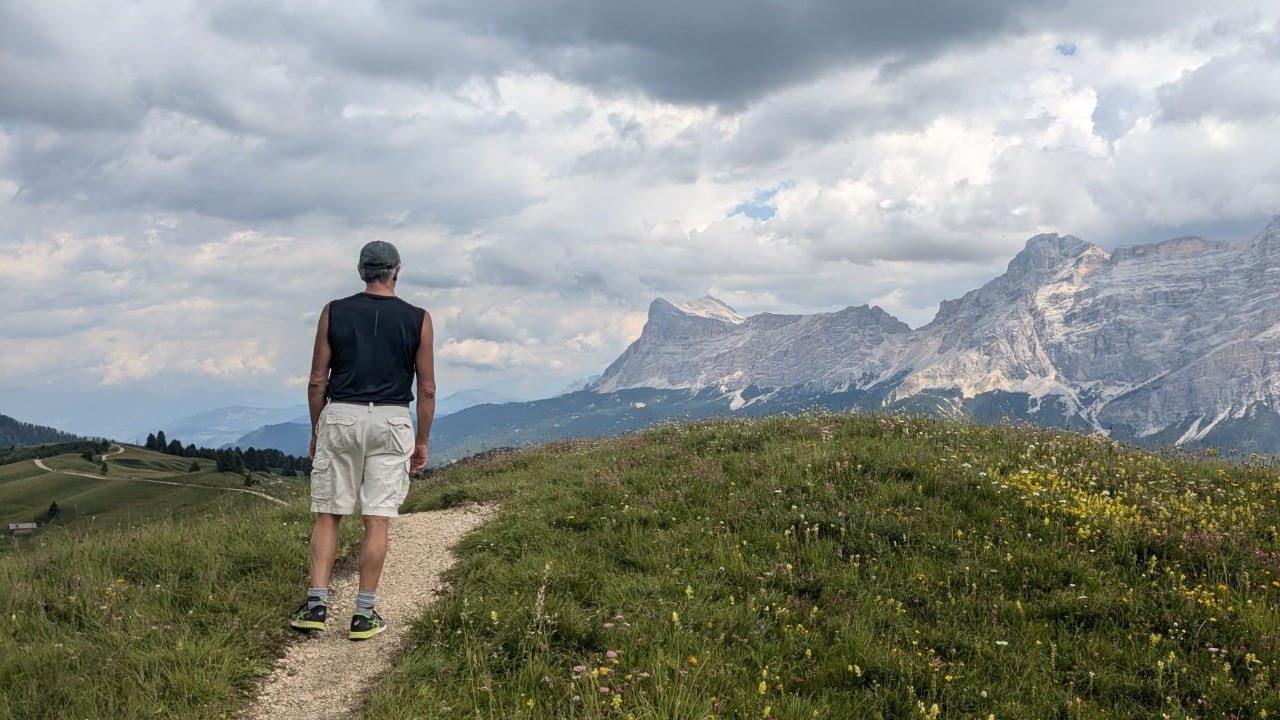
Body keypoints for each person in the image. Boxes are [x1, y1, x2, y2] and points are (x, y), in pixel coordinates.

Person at [289, 240, 436, 640]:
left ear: (360, 271)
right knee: (377, 519)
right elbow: (426, 390)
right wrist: (421, 442)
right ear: (397, 271)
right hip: (391, 418)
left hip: (342, 414)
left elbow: (318, 379)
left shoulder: (333, 311)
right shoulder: (419, 319)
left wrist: (317, 430)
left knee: (328, 513)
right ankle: (363, 614)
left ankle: (316, 606)